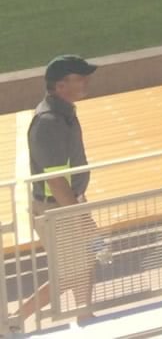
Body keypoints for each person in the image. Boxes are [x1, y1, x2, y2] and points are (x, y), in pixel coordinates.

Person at [17, 55, 99, 325]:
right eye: (80, 78)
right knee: (70, 273)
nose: (86, 81)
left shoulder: (63, 114)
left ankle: (84, 315)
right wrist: (79, 215)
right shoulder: (49, 122)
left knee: (86, 260)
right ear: (60, 85)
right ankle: (14, 320)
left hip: (67, 203)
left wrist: (80, 204)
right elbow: (55, 179)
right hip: (57, 209)